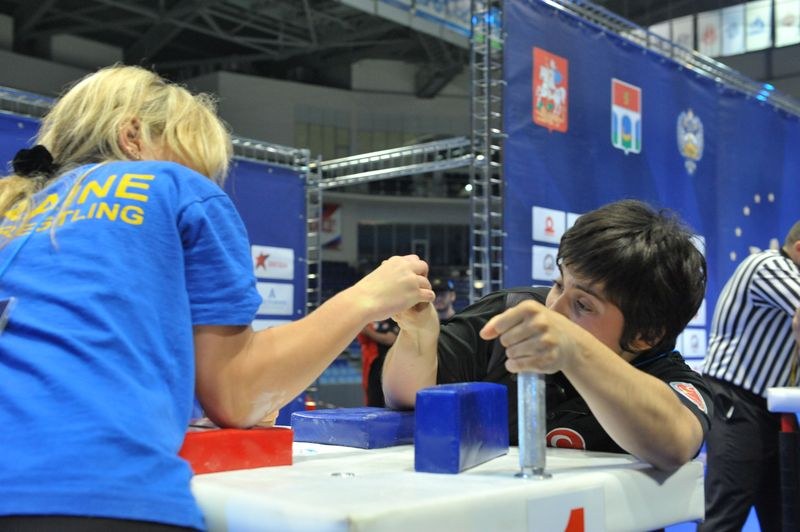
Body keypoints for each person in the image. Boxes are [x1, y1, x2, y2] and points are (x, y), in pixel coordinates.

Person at [0, 65, 433, 531]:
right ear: (133, 137)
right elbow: (236, 395)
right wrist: (367, 297)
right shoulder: (175, 187)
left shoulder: (18, 209)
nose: (203, 176)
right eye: (194, 158)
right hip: (99, 496)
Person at [383, 199, 711, 471]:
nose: (553, 310)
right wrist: (417, 334)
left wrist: (574, 351)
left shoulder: (670, 379)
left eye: (583, 304)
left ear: (645, 336)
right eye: (558, 284)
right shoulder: (511, 313)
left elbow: (675, 443)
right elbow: (409, 397)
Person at [699, 222, 800, 532]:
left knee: (786, 516)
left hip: (773, 411)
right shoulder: (768, 264)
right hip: (736, 404)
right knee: (726, 514)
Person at [357, 318, 399, 406]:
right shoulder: (372, 321)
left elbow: (391, 339)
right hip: (372, 366)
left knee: (391, 400)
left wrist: (368, 332)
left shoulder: (394, 319)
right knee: (373, 398)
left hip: (389, 366)